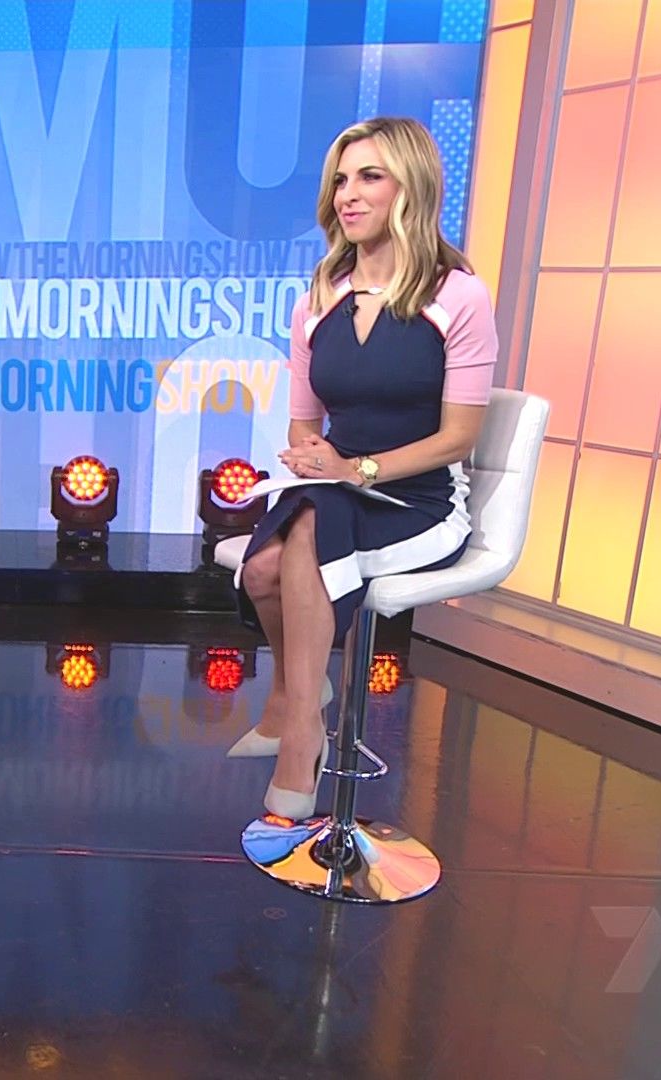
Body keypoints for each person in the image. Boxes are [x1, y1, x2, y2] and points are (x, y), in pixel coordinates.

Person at [231, 117, 494, 819]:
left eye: (369, 177)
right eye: (341, 180)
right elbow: (304, 420)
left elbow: (458, 438)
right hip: (336, 488)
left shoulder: (457, 296)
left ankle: (299, 733)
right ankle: (299, 693)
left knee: (307, 532)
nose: (347, 194)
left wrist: (358, 470)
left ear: (411, 186)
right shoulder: (318, 298)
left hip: (417, 498)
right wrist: (313, 457)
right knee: (260, 570)